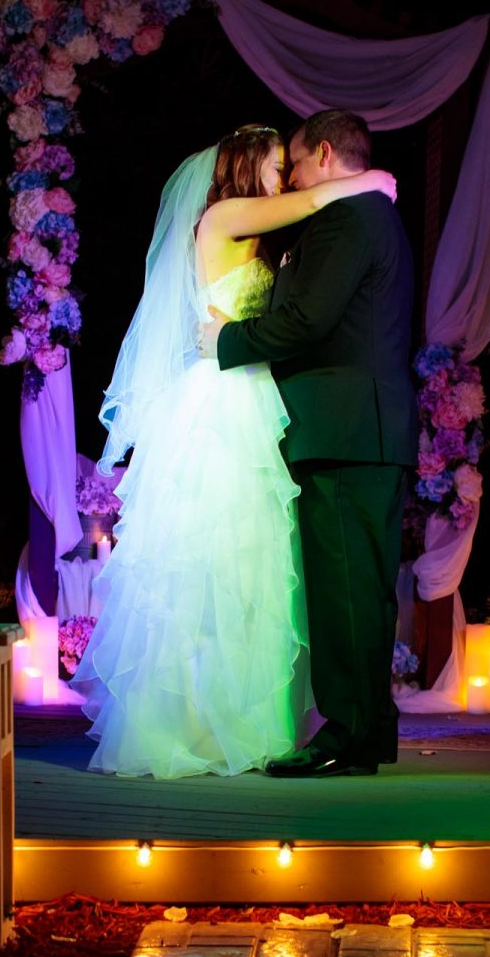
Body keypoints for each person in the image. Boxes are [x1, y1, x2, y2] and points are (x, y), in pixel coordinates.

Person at [72, 125, 397, 777]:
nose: (288, 176)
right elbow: (310, 203)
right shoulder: (226, 215)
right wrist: (368, 180)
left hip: (255, 403)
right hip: (217, 404)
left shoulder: (264, 233)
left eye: (291, 164)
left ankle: (246, 719)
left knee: (252, 569)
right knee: (205, 562)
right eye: (278, 165)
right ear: (250, 168)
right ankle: (191, 724)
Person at [200, 110, 417, 777]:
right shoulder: (370, 214)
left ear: (323, 153)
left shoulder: (350, 219)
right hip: (365, 428)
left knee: (345, 588)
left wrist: (227, 343)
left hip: (345, 427)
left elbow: (309, 318)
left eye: (294, 165)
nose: (291, 181)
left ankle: (346, 737)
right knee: (368, 587)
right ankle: (371, 729)